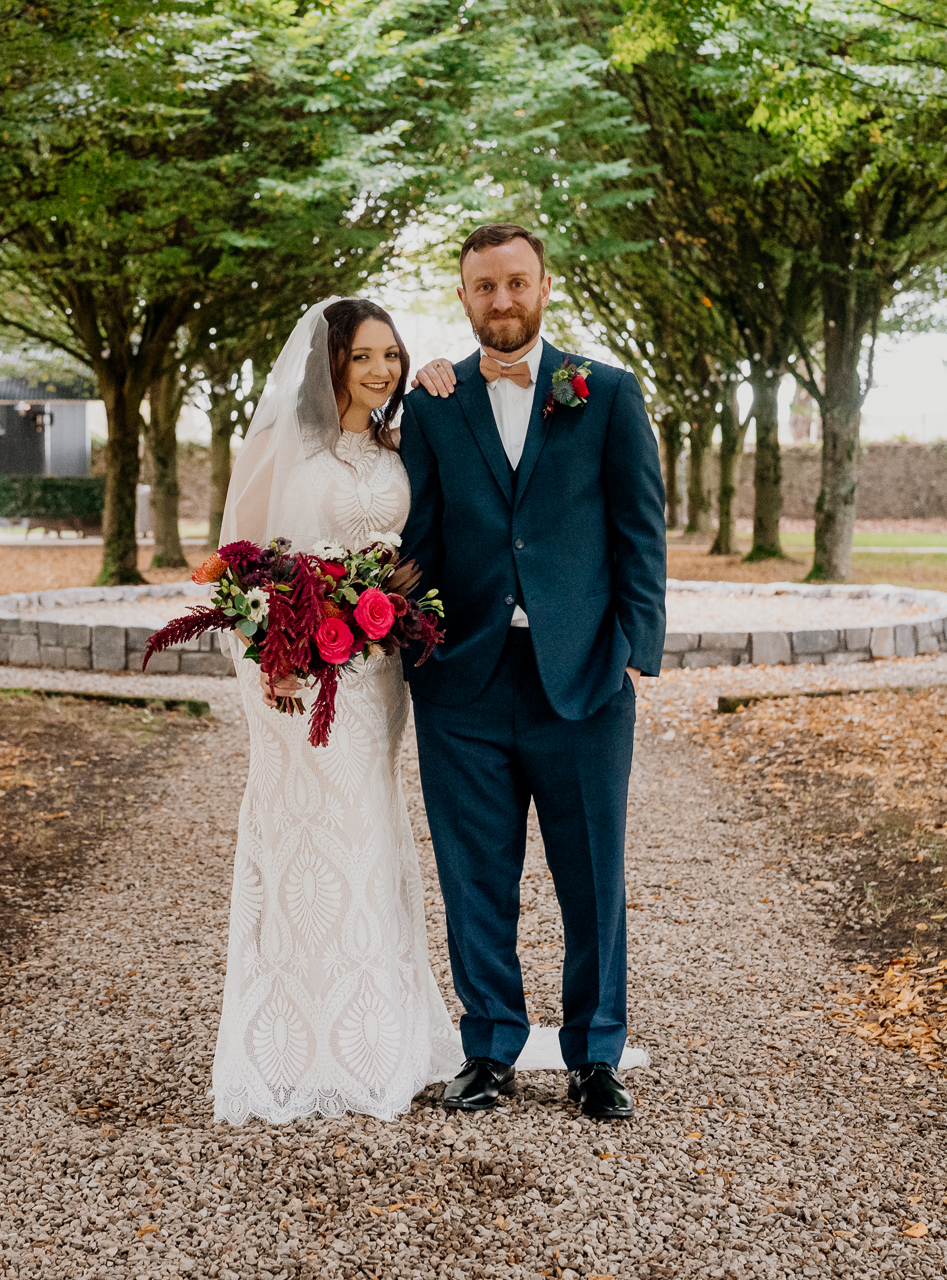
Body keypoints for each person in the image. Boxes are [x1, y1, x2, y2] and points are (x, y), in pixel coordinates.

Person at [398, 224, 667, 1121]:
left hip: (583, 679)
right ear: (464, 295)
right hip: (462, 682)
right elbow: (419, 538)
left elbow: (640, 532)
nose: (501, 300)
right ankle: (489, 1049)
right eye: (484, 286)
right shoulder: (434, 404)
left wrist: (636, 650)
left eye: (517, 283)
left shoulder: (608, 393)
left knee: (592, 873)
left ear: (545, 286)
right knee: (475, 873)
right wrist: (410, 645)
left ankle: (596, 1056)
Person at [209, 297, 462, 1124]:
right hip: (291, 674)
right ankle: (291, 1044)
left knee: (367, 826)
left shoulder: (397, 443)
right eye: (364, 357)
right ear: (331, 365)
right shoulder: (281, 445)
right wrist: (271, 658)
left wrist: (436, 379)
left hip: (373, 673)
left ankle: (377, 1037)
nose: (382, 370)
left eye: (391, 354)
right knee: (301, 836)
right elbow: (234, 570)